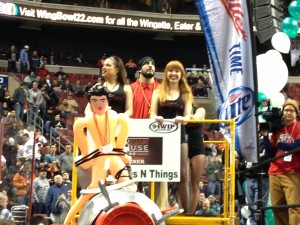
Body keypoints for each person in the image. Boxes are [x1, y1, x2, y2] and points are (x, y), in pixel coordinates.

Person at [64, 84, 132, 225]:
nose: (99, 104)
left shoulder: (115, 116)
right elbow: (84, 148)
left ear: (108, 100)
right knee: (91, 191)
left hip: (113, 157)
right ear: (89, 102)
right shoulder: (86, 121)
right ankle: (67, 222)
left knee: (129, 186)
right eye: (94, 101)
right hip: (99, 158)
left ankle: (128, 218)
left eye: (102, 100)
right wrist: (86, 157)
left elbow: (124, 130)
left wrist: (121, 151)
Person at [150, 60, 194, 212]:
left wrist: (183, 118)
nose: (173, 74)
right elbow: (152, 113)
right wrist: (156, 118)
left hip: (179, 136)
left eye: (177, 71)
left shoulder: (186, 93)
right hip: (160, 136)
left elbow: (188, 116)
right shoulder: (157, 91)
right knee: (157, 174)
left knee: (182, 174)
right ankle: (154, 210)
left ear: (181, 74)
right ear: (166, 73)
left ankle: (186, 212)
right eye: (170, 70)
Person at [130, 56, 164, 208]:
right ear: (139, 69)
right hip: (135, 138)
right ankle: (129, 207)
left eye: (152, 63)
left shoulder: (162, 90)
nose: (150, 66)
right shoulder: (131, 89)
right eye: (146, 64)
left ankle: (160, 211)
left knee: (160, 178)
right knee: (132, 178)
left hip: (158, 138)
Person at [260, 99, 300, 225]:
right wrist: (266, 136)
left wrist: (281, 144)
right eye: (286, 110)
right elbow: (271, 153)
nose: (288, 113)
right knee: (277, 208)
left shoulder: (299, 127)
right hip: (274, 172)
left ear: (296, 113)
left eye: (291, 111)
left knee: (294, 207)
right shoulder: (278, 129)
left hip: (292, 172)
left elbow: (296, 145)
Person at [186, 107, 207, 213]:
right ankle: (183, 212)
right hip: (184, 148)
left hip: (197, 149)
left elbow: (195, 118)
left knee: (195, 184)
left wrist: (187, 117)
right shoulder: (180, 111)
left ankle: (190, 213)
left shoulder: (200, 110)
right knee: (184, 181)